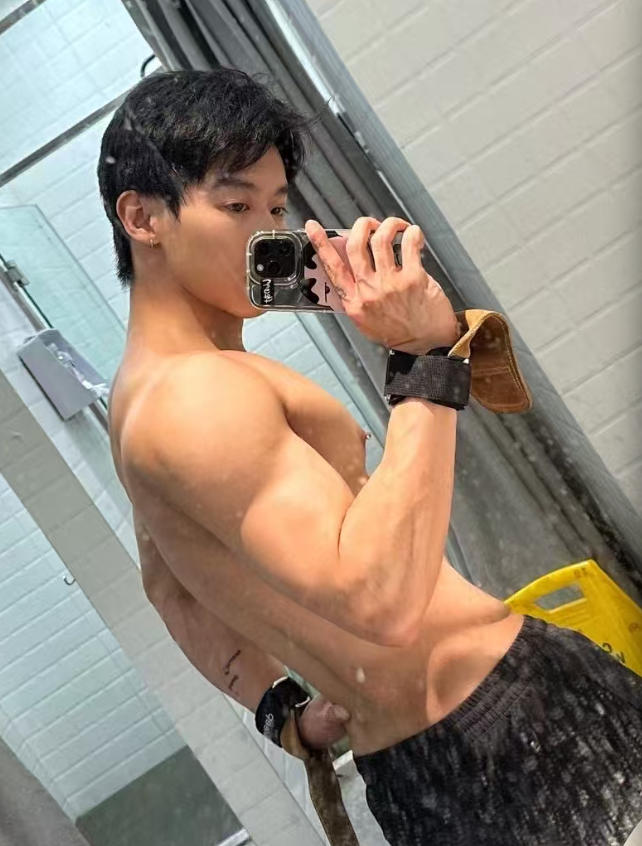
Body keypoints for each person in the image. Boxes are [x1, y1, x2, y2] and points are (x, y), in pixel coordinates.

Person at [98, 68, 642, 845]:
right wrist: (426, 361)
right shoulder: (195, 395)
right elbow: (379, 601)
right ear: (142, 217)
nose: (266, 231)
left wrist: (284, 715)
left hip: (429, 762)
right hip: (508, 734)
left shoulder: (145, 400)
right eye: (235, 206)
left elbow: (172, 592)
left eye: (275, 207)